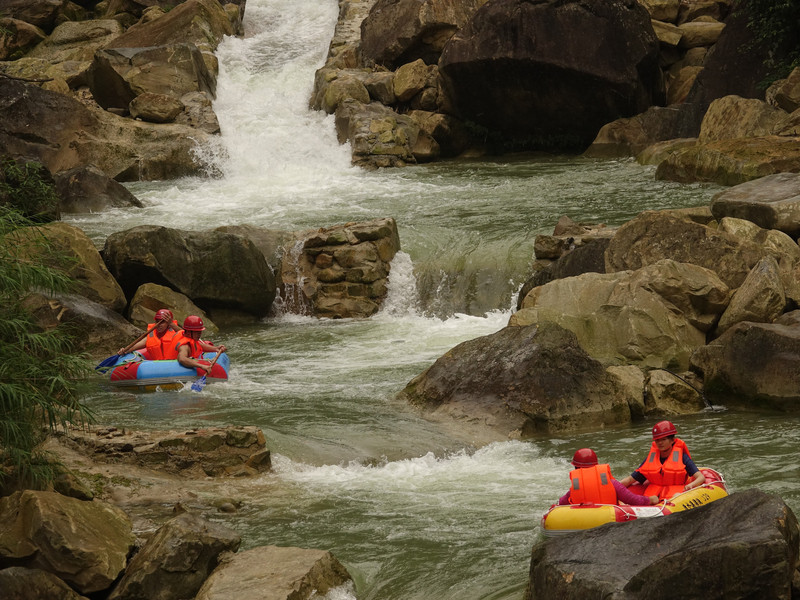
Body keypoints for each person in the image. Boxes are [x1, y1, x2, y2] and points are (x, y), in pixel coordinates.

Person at [618, 420, 706, 500]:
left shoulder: (682, 458)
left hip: (675, 497)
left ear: (672, 440)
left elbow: (700, 477)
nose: (660, 443)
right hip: (653, 499)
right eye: (657, 440)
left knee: (676, 496)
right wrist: (614, 487)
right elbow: (630, 480)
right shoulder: (650, 460)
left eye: (663, 439)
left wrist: (690, 486)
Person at [558, 448, 659, 506]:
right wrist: (650, 500)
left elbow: (561, 503)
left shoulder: (574, 489)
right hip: (610, 518)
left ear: (576, 468)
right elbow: (632, 500)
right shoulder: (611, 484)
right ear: (596, 466)